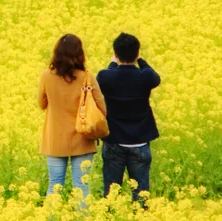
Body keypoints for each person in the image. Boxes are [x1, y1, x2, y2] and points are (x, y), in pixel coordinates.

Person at [39, 34, 107, 203]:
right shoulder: (86, 77)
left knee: (55, 184)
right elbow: (102, 109)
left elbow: (41, 103)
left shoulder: (46, 76)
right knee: (82, 186)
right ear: (80, 53)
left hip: (55, 139)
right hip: (82, 138)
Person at [98, 32, 160, 204]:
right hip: (140, 142)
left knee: (111, 192)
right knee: (141, 193)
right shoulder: (145, 77)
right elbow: (154, 75)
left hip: (114, 142)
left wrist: (113, 62)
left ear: (116, 54)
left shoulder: (106, 77)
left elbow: (106, 75)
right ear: (137, 53)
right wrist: (140, 60)